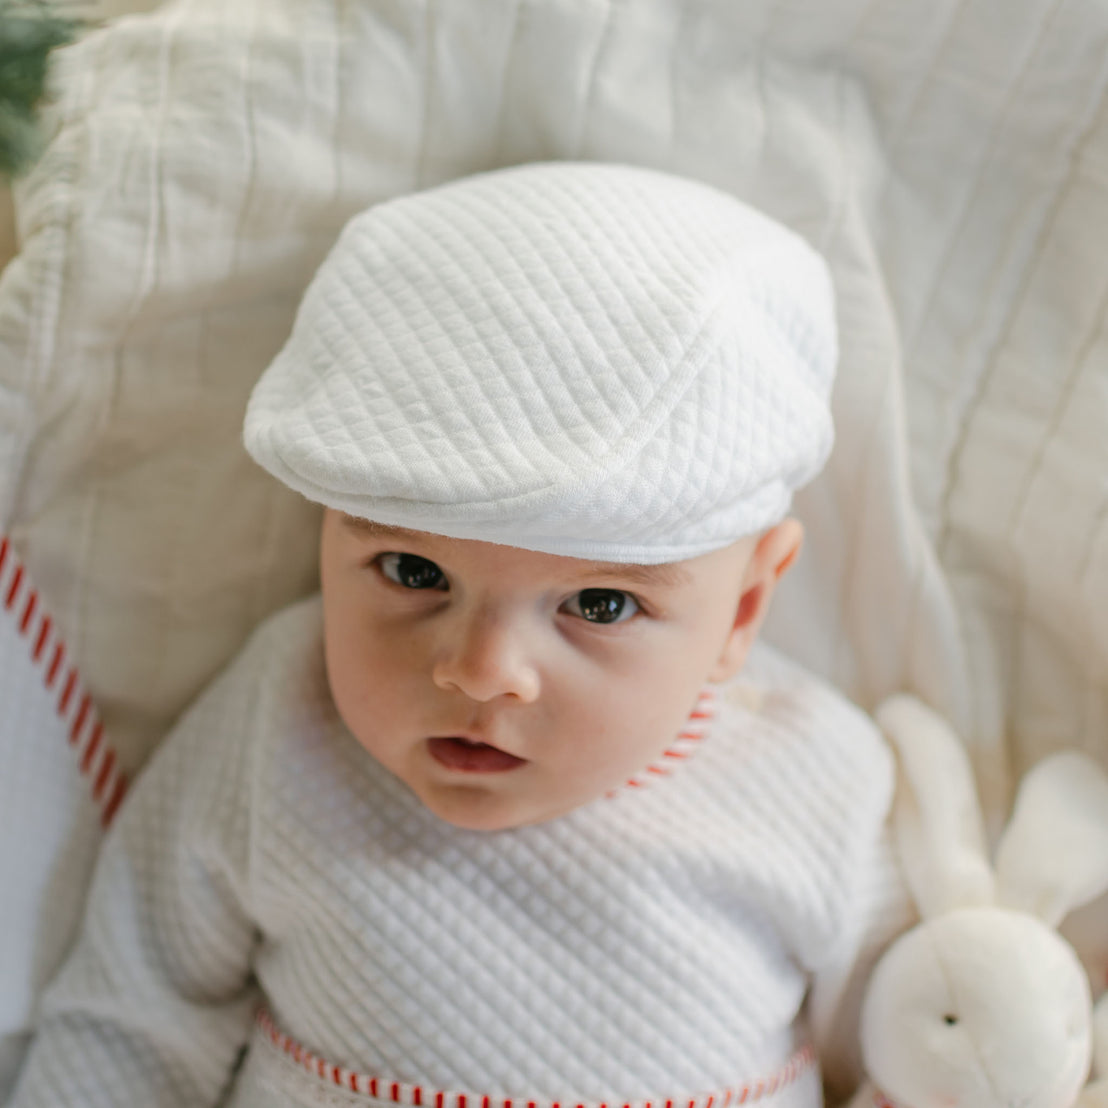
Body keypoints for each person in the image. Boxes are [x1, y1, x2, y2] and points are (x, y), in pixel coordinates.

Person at [7, 162, 911, 1108]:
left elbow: (904, 1048)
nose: (481, 673)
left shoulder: (814, 778)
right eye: (413, 573)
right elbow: (132, 1016)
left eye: (598, 606)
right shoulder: (283, 719)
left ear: (743, 611)